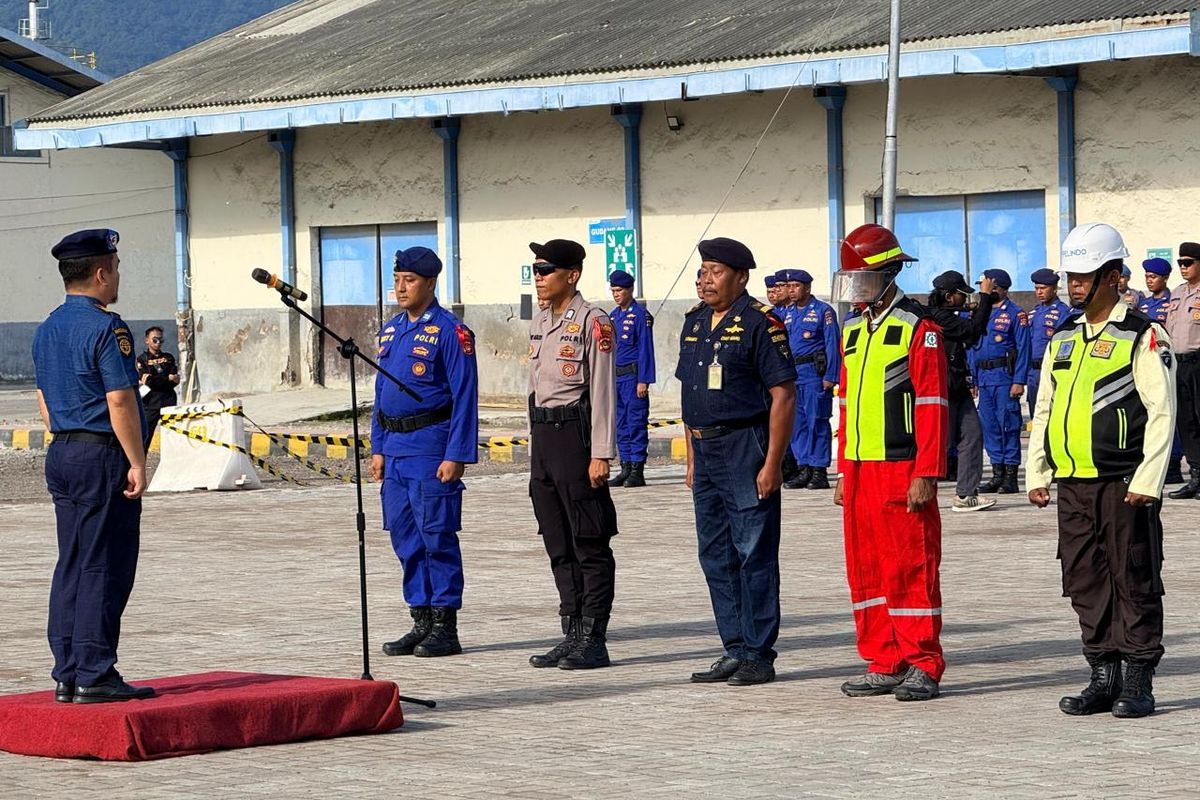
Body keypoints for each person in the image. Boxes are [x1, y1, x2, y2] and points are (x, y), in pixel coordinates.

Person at [1026, 222, 1175, 719]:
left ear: (1113, 276)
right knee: (1084, 579)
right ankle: (1102, 674)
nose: (1073, 285)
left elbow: (1162, 411)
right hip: (1072, 484)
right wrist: (1038, 472)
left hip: (1123, 483)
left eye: (1084, 276)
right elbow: (1044, 405)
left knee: (1133, 578)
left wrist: (1149, 480)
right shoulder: (1065, 335)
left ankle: (1137, 679)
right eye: (1071, 275)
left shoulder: (1143, 334)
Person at [32, 228, 154, 704]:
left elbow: (44, 400)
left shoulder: (47, 328)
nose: (118, 275)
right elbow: (121, 400)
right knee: (105, 563)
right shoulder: (108, 327)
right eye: (116, 267)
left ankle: (67, 670)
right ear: (101, 273)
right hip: (101, 452)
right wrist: (137, 461)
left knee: (73, 560)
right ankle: (96, 672)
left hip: (62, 449)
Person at [832, 223, 949, 702]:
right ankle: (884, 658)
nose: (856, 288)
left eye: (863, 277)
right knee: (866, 567)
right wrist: (840, 467)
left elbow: (932, 405)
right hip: (860, 467)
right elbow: (842, 400)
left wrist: (927, 472)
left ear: (889, 273)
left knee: (910, 565)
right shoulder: (854, 330)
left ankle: (923, 661)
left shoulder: (920, 330)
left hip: (901, 467)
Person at [678, 237, 795, 686]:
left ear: (741, 277)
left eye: (716, 271)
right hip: (705, 451)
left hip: (746, 445)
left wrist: (772, 463)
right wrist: (691, 457)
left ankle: (759, 651)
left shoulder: (761, 324)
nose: (705, 279)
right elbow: (691, 395)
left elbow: (783, 395)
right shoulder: (694, 323)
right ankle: (734, 646)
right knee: (715, 553)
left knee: (754, 552)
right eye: (703, 270)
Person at [372, 247, 478, 659]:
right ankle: (420, 618)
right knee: (405, 538)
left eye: (409, 280)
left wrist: (457, 454)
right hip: (395, 450)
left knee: (437, 536)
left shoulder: (451, 332)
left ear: (430, 283)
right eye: (397, 278)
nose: (400, 286)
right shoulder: (392, 330)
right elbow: (381, 394)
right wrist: (378, 446)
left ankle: (445, 624)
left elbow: (465, 395)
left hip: (431, 447)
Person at [526, 239, 619, 670]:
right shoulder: (541, 320)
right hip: (545, 438)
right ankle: (572, 631)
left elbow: (601, 391)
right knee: (557, 541)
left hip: (576, 435)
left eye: (546, 270)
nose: (539, 277)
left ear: (573, 275)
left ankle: (594, 637)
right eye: (536, 269)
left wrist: (601, 453)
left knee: (588, 539)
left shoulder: (593, 321)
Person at [926, 270, 996, 512]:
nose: (964, 299)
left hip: (957, 386)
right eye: (960, 295)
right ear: (948, 297)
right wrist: (985, 297)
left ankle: (966, 494)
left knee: (972, 435)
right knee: (937, 443)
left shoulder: (946, 316)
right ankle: (908, 487)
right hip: (940, 389)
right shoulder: (939, 318)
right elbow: (973, 330)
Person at [970, 268, 1030, 494]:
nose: (983, 290)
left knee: (1009, 425)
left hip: (1005, 377)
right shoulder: (981, 312)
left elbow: (1024, 348)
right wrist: (972, 378)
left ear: (1000, 288)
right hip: (984, 379)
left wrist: (1019, 380)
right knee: (990, 427)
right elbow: (973, 347)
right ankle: (996, 473)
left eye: (988, 286)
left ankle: (1010, 476)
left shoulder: (1015, 313)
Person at [780, 269, 840, 490]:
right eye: (789, 286)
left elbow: (833, 344)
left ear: (807, 288)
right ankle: (803, 466)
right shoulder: (787, 313)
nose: (791, 290)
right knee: (798, 424)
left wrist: (831, 376)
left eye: (796, 286)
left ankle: (818, 470)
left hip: (814, 373)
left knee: (817, 421)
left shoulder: (823, 311)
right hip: (793, 374)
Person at [607, 269, 655, 489]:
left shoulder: (640, 316)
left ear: (630, 290)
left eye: (620, 290)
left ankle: (637, 469)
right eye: (613, 290)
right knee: (620, 423)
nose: (616, 294)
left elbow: (646, 349)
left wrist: (643, 380)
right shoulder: (613, 316)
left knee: (635, 422)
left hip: (633, 377)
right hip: (615, 378)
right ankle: (624, 466)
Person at [1139, 258, 1185, 485]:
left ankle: (1174, 462)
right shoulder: (1144, 305)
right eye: (1147, 276)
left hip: (1169, 362)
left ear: (1165, 278)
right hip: (1148, 365)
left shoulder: (1172, 302)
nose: (1149, 280)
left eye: (1153, 277)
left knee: (1171, 412)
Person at [1166, 243, 1200, 498]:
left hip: (1199, 363)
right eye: (1180, 263)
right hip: (1179, 364)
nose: (1183, 267)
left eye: (1188, 263)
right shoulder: (1177, 293)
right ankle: (1196, 476)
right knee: (1186, 421)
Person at [1027, 268, 1074, 418]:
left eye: (1043, 288)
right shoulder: (1033, 313)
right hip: (1033, 372)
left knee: (1053, 414)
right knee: (1036, 415)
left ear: (1054, 289)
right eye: (1036, 288)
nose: (1039, 292)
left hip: (1050, 370)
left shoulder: (1063, 313)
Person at [135, 326, 179, 450]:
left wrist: (159, 379)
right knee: (145, 439)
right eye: (155, 340)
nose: (158, 343)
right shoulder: (142, 360)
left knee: (172, 438)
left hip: (168, 401)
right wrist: (167, 378)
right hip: (150, 403)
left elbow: (174, 380)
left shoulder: (168, 357)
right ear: (147, 341)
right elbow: (149, 382)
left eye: (160, 340)